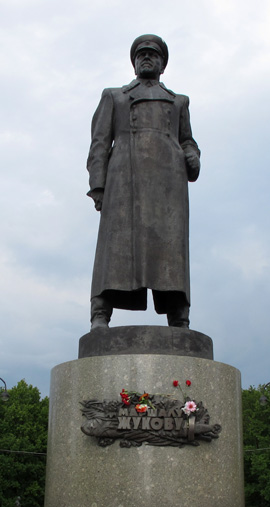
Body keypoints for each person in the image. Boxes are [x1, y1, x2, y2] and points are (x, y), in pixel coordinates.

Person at [86, 34, 200, 330]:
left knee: (170, 251)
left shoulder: (178, 102)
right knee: (114, 249)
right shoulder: (115, 97)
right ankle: (100, 313)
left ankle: (178, 314)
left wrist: (192, 156)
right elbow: (99, 144)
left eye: (153, 54)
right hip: (124, 182)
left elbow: (187, 140)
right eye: (141, 54)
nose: (147, 58)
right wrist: (98, 186)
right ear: (134, 62)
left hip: (168, 187)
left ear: (163, 63)